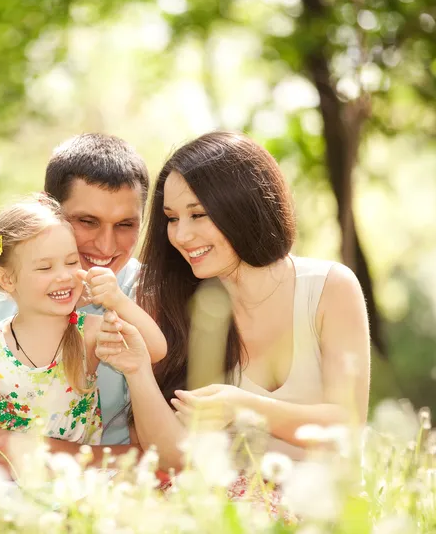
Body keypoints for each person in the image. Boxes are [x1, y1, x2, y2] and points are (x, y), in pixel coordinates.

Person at [95, 130, 371, 470]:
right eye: (172, 218)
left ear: (242, 208)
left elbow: (348, 424)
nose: (181, 235)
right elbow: (172, 458)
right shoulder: (179, 306)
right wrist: (137, 371)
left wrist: (248, 407)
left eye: (198, 215)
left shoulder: (330, 288)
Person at [0, 133, 150, 474]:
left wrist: (39, 451)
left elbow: (165, 457)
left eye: (126, 225)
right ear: (46, 208)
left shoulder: (144, 296)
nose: (106, 245)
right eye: (87, 221)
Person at [0, 195, 165, 511]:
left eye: (72, 262)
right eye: (46, 267)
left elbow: (155, 349)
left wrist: (118, 300)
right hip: (3, 479)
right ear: (8, 279)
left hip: (68, 478)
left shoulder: (87, 333)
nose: (64, 275)